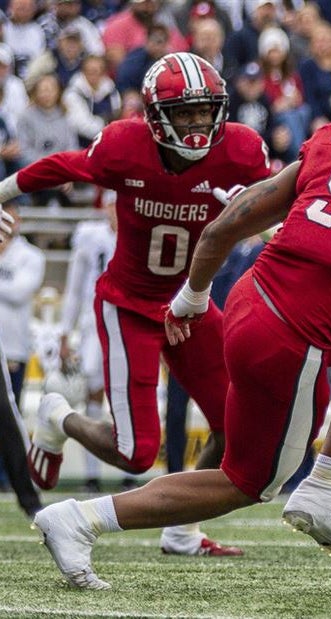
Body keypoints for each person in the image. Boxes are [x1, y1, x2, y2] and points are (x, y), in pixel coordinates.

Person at [32, 53, 331, 590]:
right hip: (293, 333)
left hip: (249, 298)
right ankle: (81, 520)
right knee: (248, 482)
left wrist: (192, 296)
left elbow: (223, 228)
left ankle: (324, 487)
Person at [7, 53, 270, 558]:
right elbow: (64, 165)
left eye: (204, 111)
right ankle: (59, 417)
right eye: (184, 113)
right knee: (136, 452)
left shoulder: (239, 152)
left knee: (234, 427)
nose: (197, 124)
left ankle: (182, 530)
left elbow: (284, 191)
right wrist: (3, 191)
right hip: (130, 303)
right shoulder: (125, 146)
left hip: (189, 305)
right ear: (154, 118)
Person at [57, 192, 118, 491]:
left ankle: (129, 471)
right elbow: (74, 286)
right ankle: (92, 475)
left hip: (129, 325)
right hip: (95, 325)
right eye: (113, 204)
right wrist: (65, 332)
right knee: (92, 395)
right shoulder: (89, 236)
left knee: (125, 396)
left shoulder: (143, 236)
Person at [0, 204, 45, 405]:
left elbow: (19, 293)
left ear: (18, 222)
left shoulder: (32, 255)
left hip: (12, 346)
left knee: (10, 411)